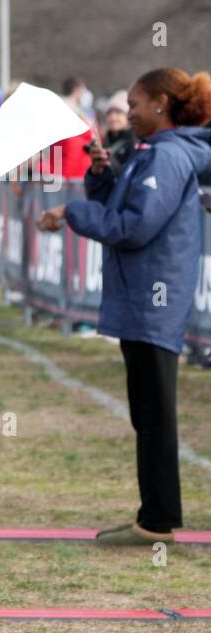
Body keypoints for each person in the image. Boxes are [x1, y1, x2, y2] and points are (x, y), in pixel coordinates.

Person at [37, 67, 211, 545]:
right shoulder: (149, 154)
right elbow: (121, 207)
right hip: (141, 298)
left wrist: (71, 211)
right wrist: (99, 177)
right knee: (146, 412)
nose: (128, 113)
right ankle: (153, 517)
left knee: (155, 414)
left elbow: (133, 226)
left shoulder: (167, 157)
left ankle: (157, 523)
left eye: (135, 104)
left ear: (161, 104)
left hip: (154, 299)